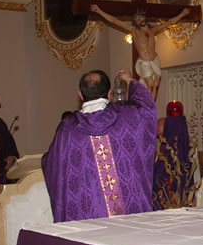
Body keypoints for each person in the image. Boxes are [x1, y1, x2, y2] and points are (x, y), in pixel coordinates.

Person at [42, 69, 157, 222]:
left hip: (87, 218)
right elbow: (147, 107)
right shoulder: (128, 118)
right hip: (129, 217)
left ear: (80, 95)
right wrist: (129, 80)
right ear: (109, 94)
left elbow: (52, 165)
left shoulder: (67, 130)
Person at [89, 4, 190, 100]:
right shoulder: (134, 31)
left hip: (155, 60)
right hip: (144, 62)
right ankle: (147, 106)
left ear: (144, 17)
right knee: (150, 85)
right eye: (136, 19)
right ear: (135, 22)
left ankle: (151, 106)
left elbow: (169, 22)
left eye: (140, 17)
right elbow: (115, 21)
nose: (139, 19)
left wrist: (182, 14)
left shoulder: (153, 30)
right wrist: (98, 10)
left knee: (156, 84)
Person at [152, 114, 198, 210]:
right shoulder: (162, 151)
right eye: (158, 136)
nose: (160, 139)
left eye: (162, 134)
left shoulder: (182, 153)